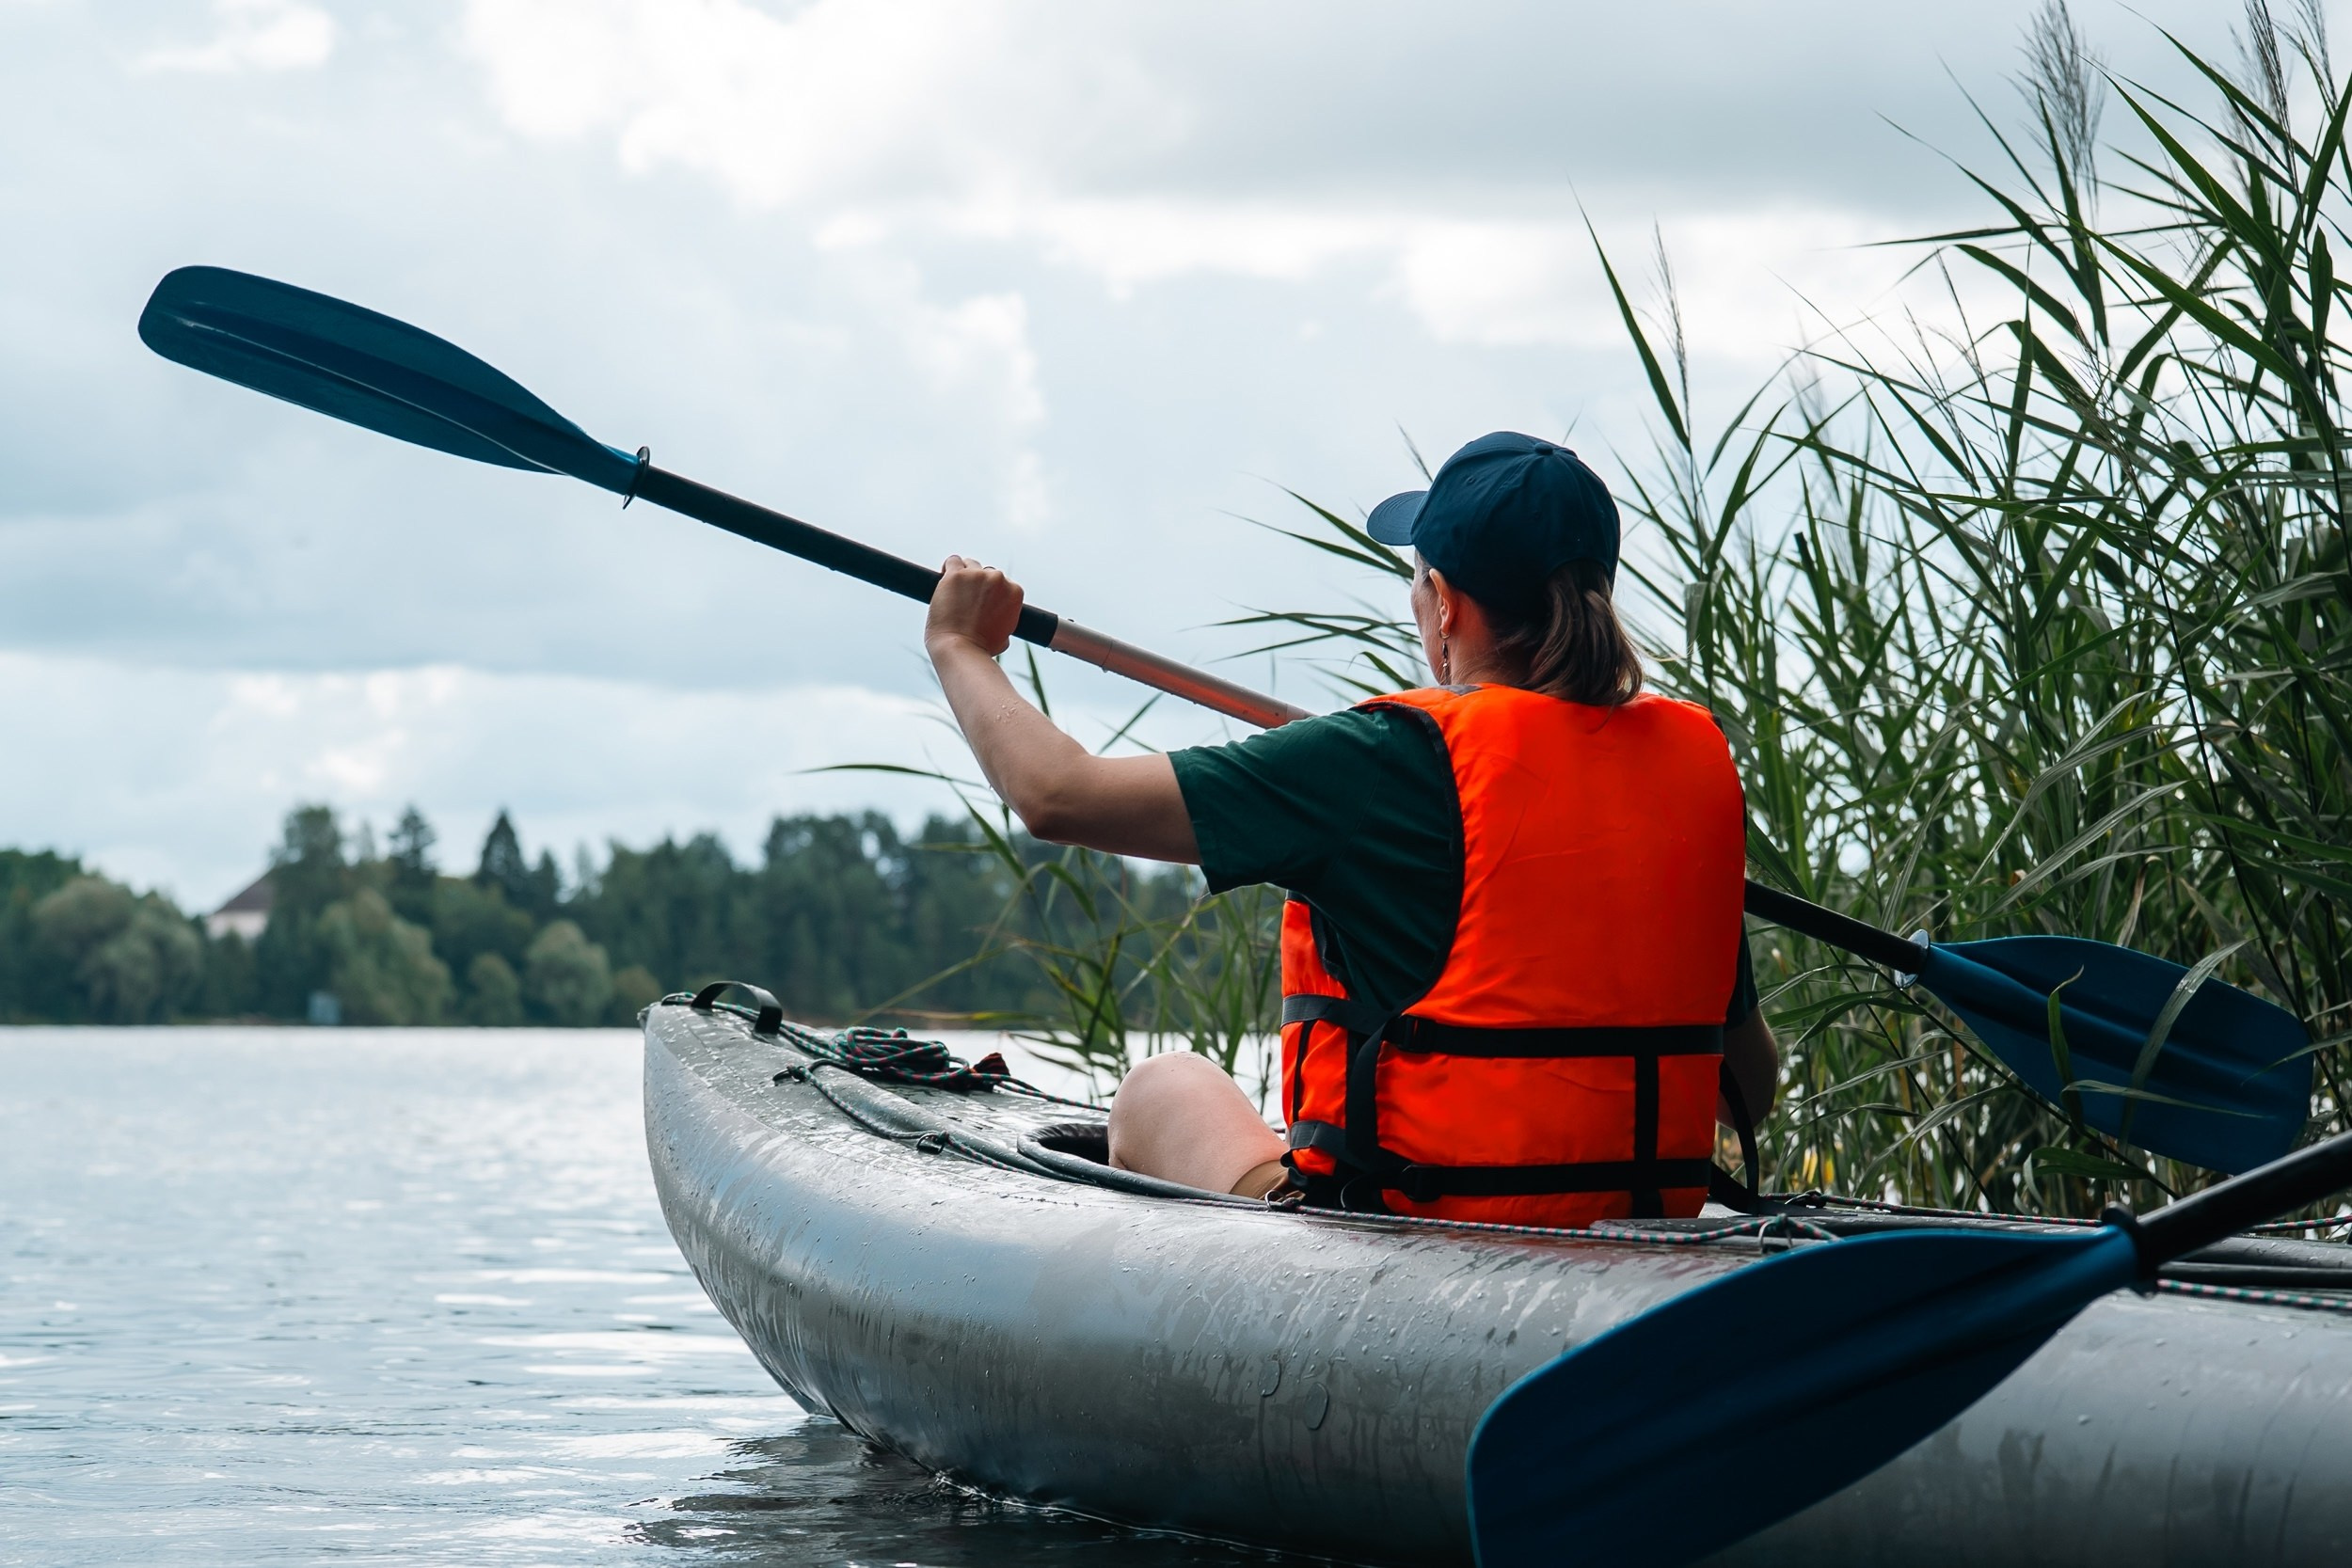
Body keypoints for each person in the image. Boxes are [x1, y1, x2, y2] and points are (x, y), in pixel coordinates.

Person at [925, 432, 1776, 1226]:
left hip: (1418, 1235)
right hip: (1636, 1236)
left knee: (1163, 1086)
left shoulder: (1380, 759)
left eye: (1418, 581)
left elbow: (1058, 795)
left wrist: (962, 647)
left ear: (1445, 605)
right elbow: (1749, 1083)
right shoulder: (1689, 772)